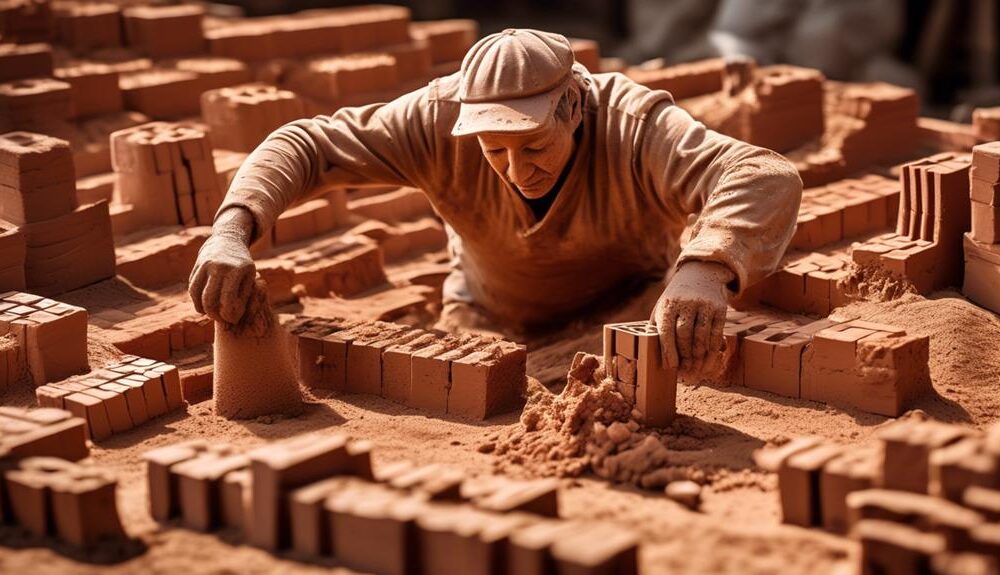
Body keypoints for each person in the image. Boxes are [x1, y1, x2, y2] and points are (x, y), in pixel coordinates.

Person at [189, 29, 802, 374]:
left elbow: (762, 172)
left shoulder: (633, 125)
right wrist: (232, 229)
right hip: (483, 323)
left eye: (533, 145)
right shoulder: (436, 116)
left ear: (572, 107)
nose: (516, 169)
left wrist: (703, 269)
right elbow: (308, 144)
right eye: (493, 150)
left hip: (625, 318)